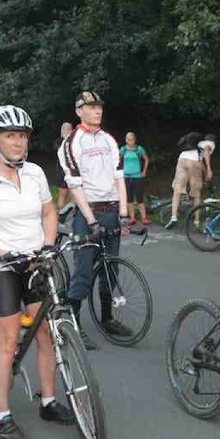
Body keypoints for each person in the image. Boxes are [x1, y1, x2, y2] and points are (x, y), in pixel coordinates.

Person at [0, 105, 74, 439]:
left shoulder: (35, 173)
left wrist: (48, 244)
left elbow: (49, 211)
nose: (18, 142)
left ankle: (49, 401)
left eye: (22, 136)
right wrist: (0, 253)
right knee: (7, 343)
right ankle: (2, 414)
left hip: (36, 264)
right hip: (2, 268)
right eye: (10, 135)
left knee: (45, 335)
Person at [58, 91, 131, 350]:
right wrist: (90, 221)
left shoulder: (109, 140)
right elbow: (75, 187)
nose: (97, 110)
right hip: (88, 213)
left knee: (111, 269)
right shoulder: (71, 143)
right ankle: (72, 322)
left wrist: (123, 213)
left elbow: (119, 177)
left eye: (99, 106)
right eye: (91, 107)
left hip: (111, 210)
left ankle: (108, 318)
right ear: (79, 111)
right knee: (84, 271)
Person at [164, 131, 213, 229]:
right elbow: (204, 157)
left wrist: (204, 171)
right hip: (194, 161)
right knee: (196, 193)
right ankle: (196, 221)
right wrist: (208, 169)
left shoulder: (186, 146)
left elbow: (200, 163)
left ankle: (173, 217)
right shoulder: (209, 144)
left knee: (177, 191)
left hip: (182, 160)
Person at [121, 131, 151, 225]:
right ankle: (132, 217)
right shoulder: (123, 149)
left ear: (134, 140)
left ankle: (144, 218)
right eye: (128, 140)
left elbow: (146, 159)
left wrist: (144, 171)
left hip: (137, 175)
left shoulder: (139, 149)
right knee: (129, 197)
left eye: (132, 139)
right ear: (126, 140)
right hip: (126, 176)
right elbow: (117, 159)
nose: (130, 141)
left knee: (139, 197)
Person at [54, 122, 74, 209]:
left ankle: (73, 213)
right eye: (67, 129)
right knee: (63, 193)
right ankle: (60, 213)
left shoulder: (74, 141)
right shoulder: (58, 142)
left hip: (73, 171)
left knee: (75, 193)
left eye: (70, 129)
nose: (69, 131)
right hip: (62, 171)